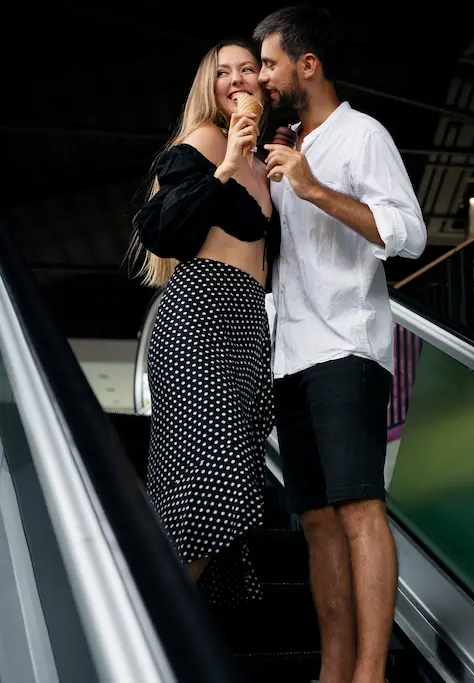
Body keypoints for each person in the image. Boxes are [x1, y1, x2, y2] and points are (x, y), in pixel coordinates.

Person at [252, 6, 427, 683]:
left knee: (359, 509)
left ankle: (370, 672)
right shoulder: (285, 144)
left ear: (307, 65)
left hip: (348, 351)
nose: (262, 76)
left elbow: (408, 235)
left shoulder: (361, 136)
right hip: (291, 357)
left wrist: (312, 188)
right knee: (317, 522)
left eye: (269, 63)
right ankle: (333, 670)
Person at [130, 39, 279, 606]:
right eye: (225, 73)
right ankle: (148, 626)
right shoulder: (207, 141)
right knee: (209, 478)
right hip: (199, 314)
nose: (238, 79)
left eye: (249, 70)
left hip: (246, 325)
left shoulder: (266, 161)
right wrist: (225, 166)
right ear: (209, 87)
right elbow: (165, 231)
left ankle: (166, 626)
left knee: (213, 482)